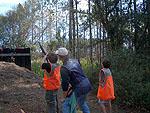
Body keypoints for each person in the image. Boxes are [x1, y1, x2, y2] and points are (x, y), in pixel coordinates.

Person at [55, 47, 92, 113]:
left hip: (79, 87)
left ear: (60, 57)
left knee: (65, 104)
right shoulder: (74, 60)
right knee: (82, 103)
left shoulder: (64, 68)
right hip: (87, 84)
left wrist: (64, 97)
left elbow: (65, 84)